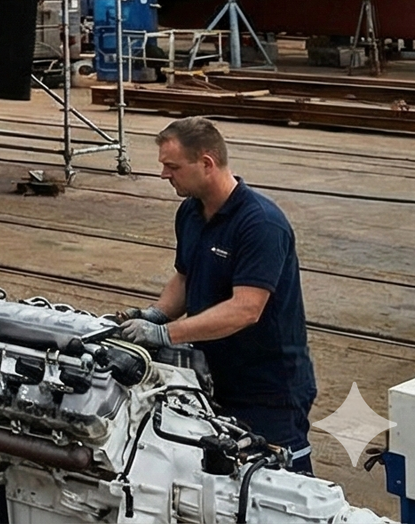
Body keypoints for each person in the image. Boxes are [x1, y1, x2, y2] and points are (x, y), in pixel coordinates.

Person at [115, 117, 317, 468]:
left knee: (276, 482)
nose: (164, 174)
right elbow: (185, 277)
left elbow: (246, 309)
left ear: (206, 163)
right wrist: (157, 314)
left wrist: (165, 333)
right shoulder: (190, 212)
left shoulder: (261, 223)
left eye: (172, 166)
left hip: (268, 390)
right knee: (220, 476)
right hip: (212, 379)